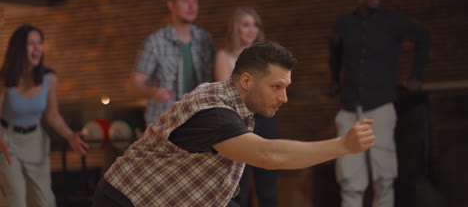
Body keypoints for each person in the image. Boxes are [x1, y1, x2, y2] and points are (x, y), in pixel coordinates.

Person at [93, 42, 375, 207]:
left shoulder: (233, 103)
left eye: (286, 87)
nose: (284, 97)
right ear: (247, 81)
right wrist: (343, 145)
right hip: (124, 200)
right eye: (276, 87)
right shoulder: (214, 113)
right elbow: (269, 156)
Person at [328, 0, 430, 207]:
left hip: (380, 107)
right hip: (350, 107)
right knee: (350, 178)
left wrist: (415, 76)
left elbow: (423, 38)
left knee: (384, 177)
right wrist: (333, 80)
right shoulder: (344, 22)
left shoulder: (392, 22)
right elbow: (335, 53)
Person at [0, 25, 89, 207]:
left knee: (44, 201)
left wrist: (70, 135)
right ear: (18, 48)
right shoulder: (4, 78)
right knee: (15, 198)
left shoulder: (49, 78)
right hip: (6, 141)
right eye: (31, 44)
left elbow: (52, 115)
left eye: (39, 43)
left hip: (35, 140)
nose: (37, 48)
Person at [215, 7, 278, 207]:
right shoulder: (223, 55)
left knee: (268, 188)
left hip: (264, 120)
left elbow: (274, 91)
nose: (251, 30)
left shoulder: (266, 56)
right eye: (245, 25)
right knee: (239, 188)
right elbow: (229, 92)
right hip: (237, 124)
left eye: (254, 25)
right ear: (235, 28)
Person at [130, 0, 215, 125]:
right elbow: (135, 83)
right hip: (165, 123)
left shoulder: (205, 39)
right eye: (185, 1)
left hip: (200, 120)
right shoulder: (155, 42)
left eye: (195, 1)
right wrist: (153, 92)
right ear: (171, 5)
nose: (191, 6)